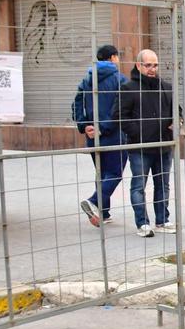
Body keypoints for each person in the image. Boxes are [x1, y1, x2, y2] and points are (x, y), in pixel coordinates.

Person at [118, 49, 176, 237]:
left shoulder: (166, 87)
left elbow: (178, 110)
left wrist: (178, 120)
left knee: (163, 185)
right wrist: (138, 133)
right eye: (148, 65)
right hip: (140, 148)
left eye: (155, 65)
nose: (152, 69)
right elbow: (119, 116)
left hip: (163, 146)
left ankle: (163, 220)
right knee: (138, 186)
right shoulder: (128, 88)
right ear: (138, 65)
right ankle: (142, 223)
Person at [75, 45, 127, 228]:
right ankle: (94, 201)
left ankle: (103, 213)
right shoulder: (120, 80)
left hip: (92, 135)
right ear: (113, 58)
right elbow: (121, 110)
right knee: (114, 173)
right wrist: (103, 128)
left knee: (102, 173)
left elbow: (77, 103)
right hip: (113, 135)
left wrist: (85, 126)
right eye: (117, 56)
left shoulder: (87, 80)